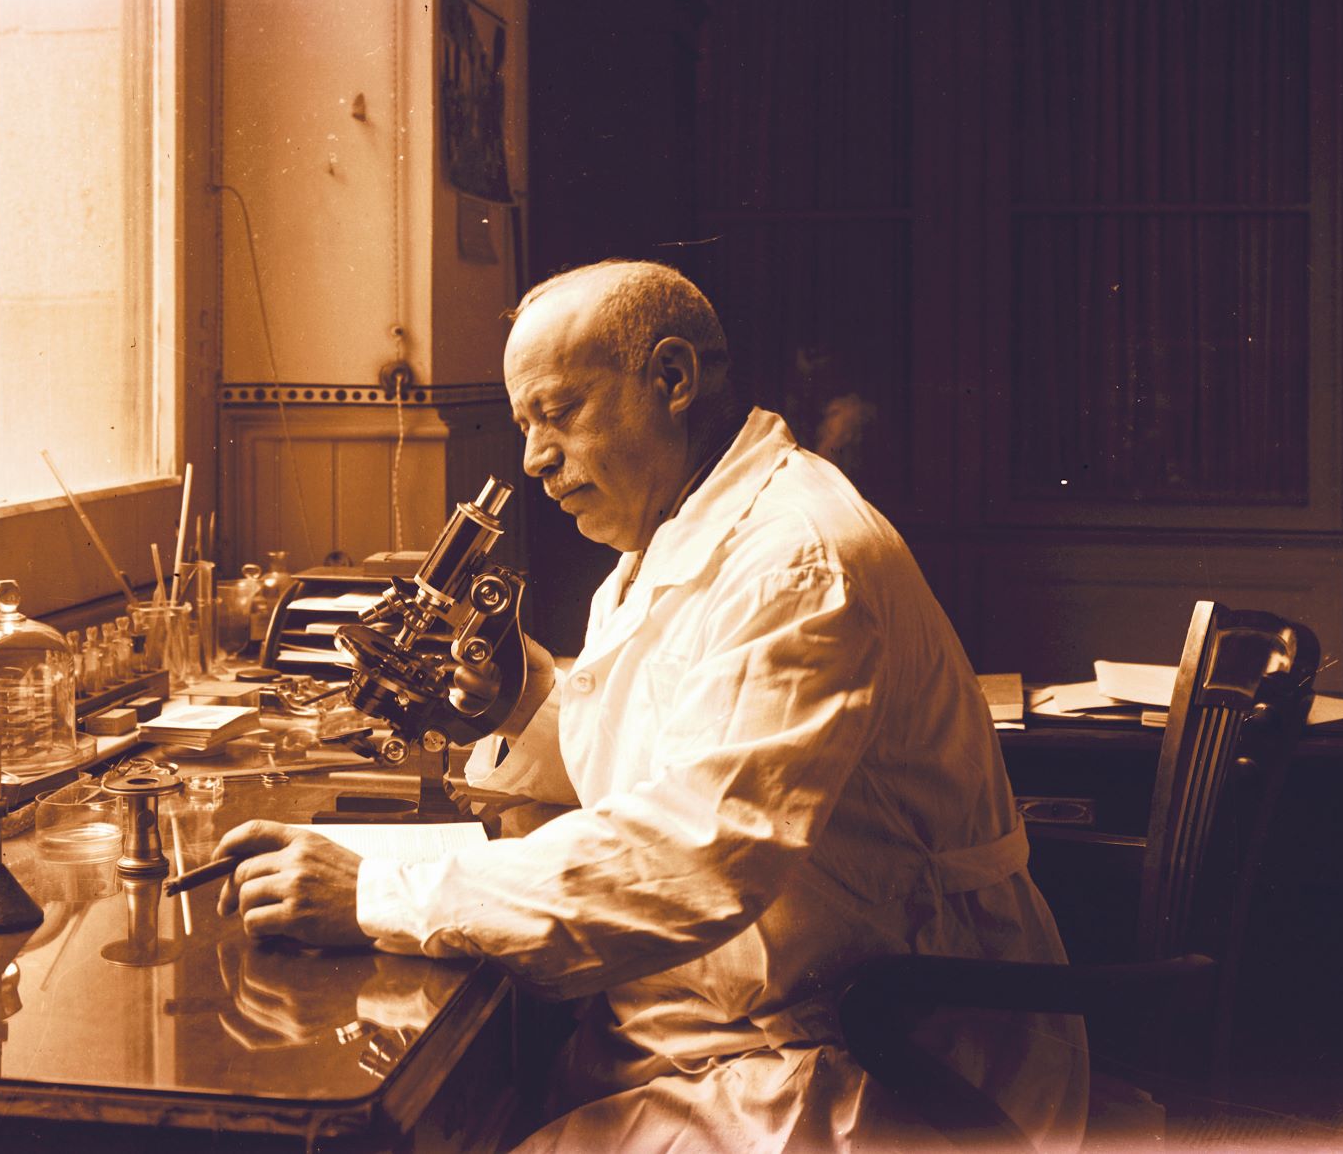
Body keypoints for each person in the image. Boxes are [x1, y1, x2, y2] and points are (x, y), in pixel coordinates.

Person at [214, 260, 1088, 1151]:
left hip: (870, 1063)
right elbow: (667, 765)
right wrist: (518, 705)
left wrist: (375, 893)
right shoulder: (676, 533)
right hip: (737, 1025)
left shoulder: (795, 559)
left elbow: (695, 853)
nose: (533, 457)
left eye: (558, 412)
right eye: (524, 426)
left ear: (671, 378)